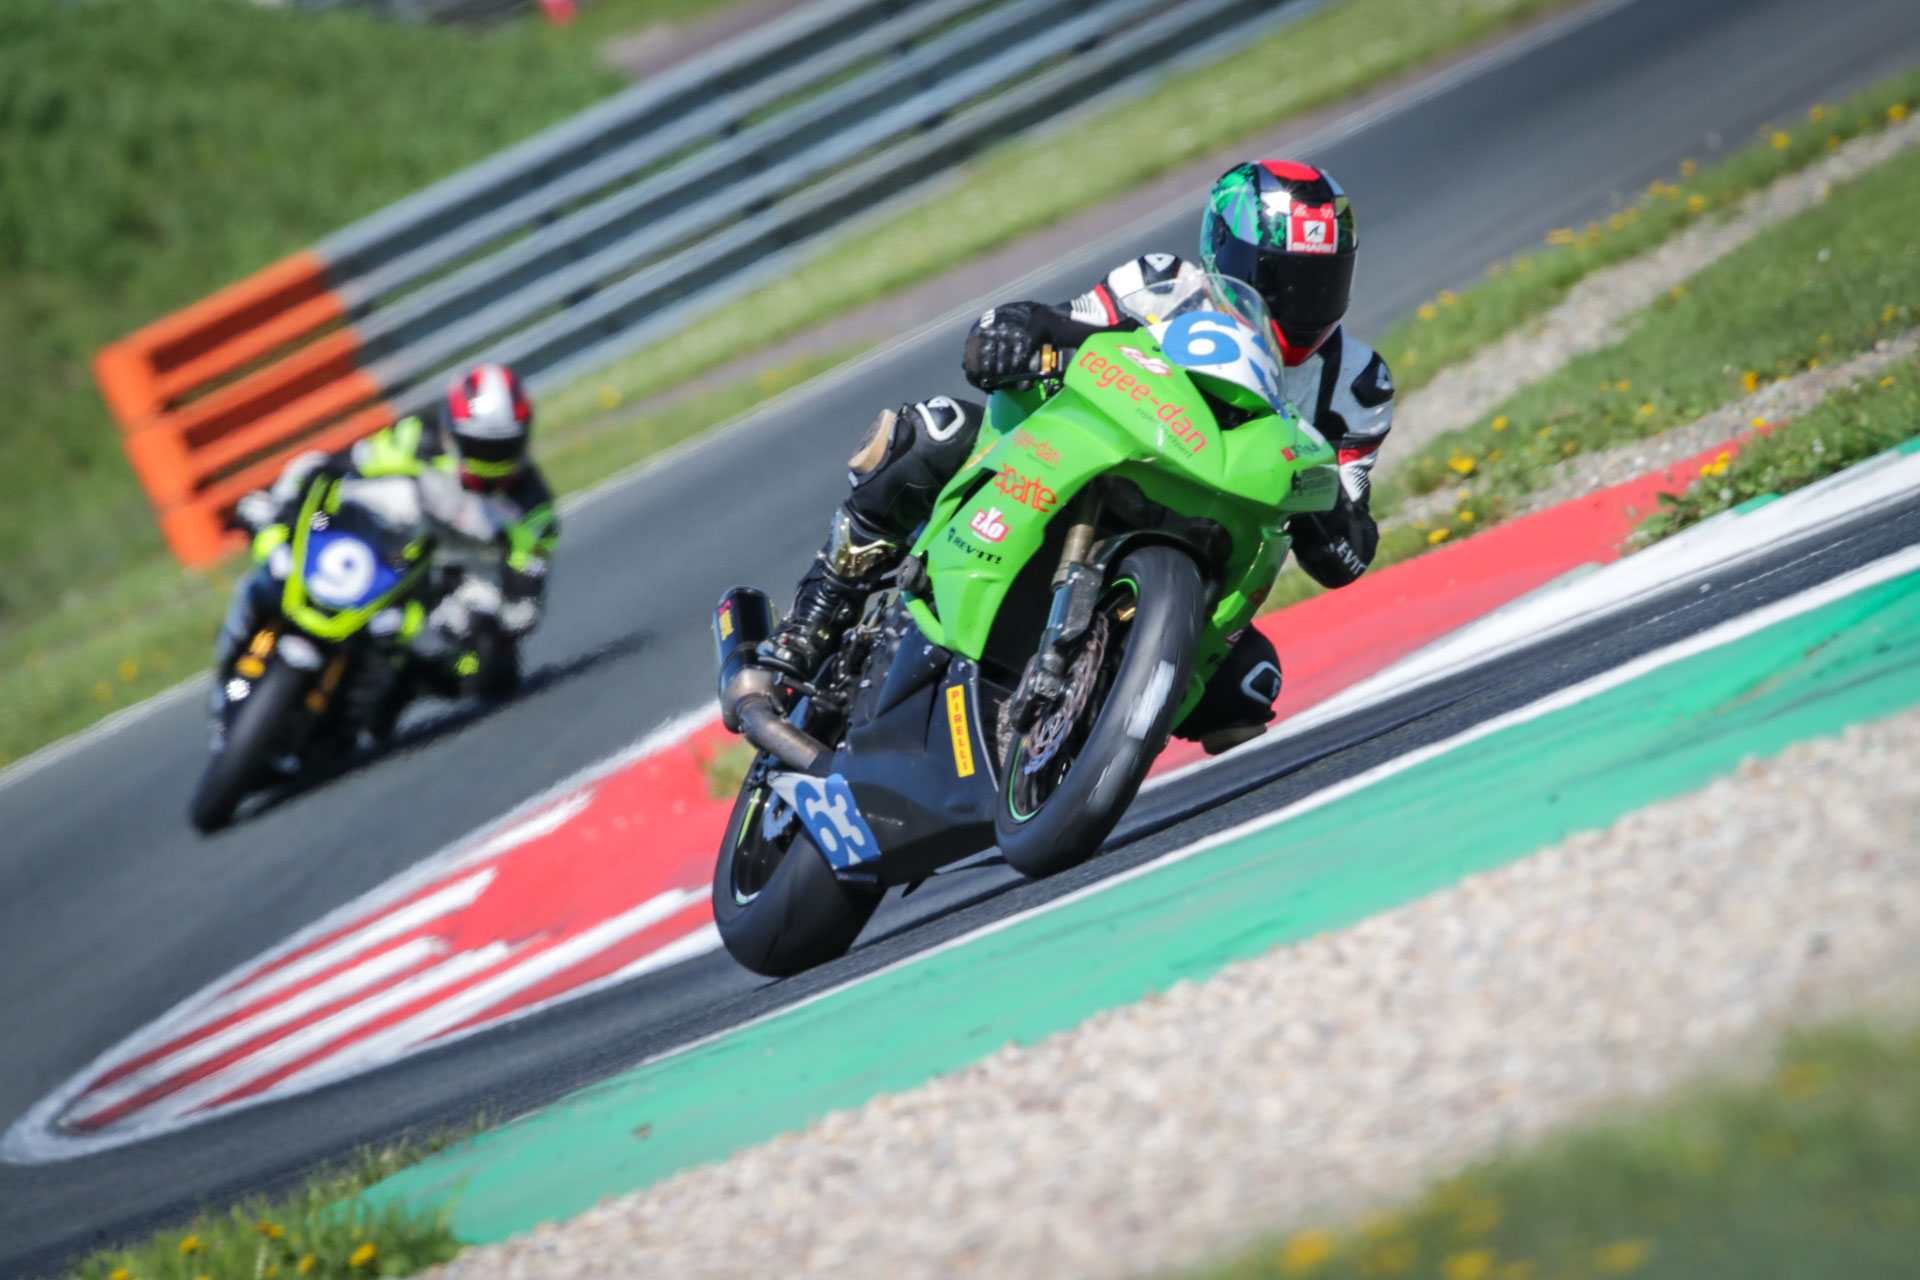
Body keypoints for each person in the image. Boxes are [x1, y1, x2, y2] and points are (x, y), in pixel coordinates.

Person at [759, 161, 1394, 753]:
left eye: (1321, 282)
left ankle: (1069, 751)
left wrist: (1318, 498)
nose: (1300, 303)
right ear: (1226, 255)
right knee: (931, 433)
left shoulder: (1359, 387)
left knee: (1248, 687)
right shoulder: (1160, 285)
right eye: (1282, 279)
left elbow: (1347, 556)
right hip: (1089, 470)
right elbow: (1058, 324)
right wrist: (1012, 332)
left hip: (1202, 546)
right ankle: (816, 616)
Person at [213, 362, 559, 731]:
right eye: (480, 445)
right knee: (292, 503)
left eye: (501, 446)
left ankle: (409, 681)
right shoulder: (417, 438)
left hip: (448, 581)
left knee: (494, 672)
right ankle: (247, 639)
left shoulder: (532, 505)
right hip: (382, 548)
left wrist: (499, 615)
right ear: (453, 430)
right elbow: (348, 464)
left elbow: (525, 602)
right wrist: (305, 497)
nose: (490, 456)